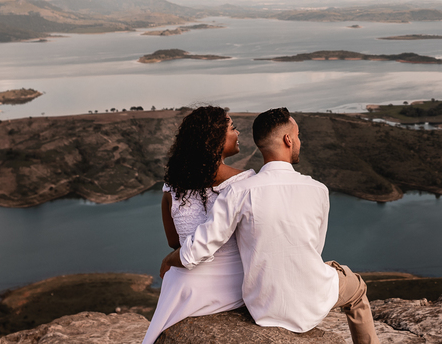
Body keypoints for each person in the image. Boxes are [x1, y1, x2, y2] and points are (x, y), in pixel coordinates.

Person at [163, 107, 377, 344]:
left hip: (263, 308)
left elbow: (196, 250)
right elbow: (314, 250)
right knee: (357, 290)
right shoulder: (318, 190)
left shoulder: (239, 191)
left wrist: (169, 259)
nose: (299, 141)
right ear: (288, 140)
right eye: (297, 136)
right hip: (310, 300)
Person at [139, 106, 254, 344]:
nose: (238, 132)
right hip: (237, 284)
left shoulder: (172, 189)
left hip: (187, 288)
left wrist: (174, 258)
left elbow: (174, 242)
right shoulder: (246, 183)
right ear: (215, 140)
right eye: (232, 128)